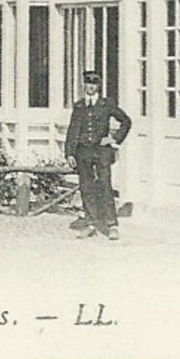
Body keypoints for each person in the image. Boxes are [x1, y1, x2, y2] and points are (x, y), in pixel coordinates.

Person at [64, 71, 132, 240]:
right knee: (86, 187)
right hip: (83, 152)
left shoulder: (106, 104)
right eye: (88, 83)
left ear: (99, 86)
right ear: (84, 85)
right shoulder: (79, 106)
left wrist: (113, 139)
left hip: (101, 152)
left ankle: (111, 225)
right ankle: (91, 223)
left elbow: (126, 121)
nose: (91, 87)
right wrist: (70, 152)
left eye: (94, 84)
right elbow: (73, 130)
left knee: (105, 185)